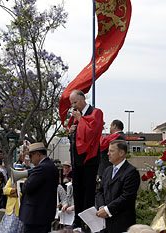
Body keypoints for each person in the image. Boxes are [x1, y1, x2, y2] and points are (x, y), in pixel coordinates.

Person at [68, 90, 104, 229]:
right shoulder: (78, 116)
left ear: (83, 99)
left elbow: (91, 132)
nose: (74, 106)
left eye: (75, 102)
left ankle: (87, 222)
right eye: (72, 104)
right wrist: (71, 131)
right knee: (77, 190)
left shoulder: (96, 112)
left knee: (88, 191)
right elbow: (77, 138)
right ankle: (77, 220)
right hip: (76, 159)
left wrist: (80, 119)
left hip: (90, 158)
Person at [95, 140, 140, 233]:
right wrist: (101, 207)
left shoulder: (131, 172)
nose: (108, 154)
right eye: (108, 151)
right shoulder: (107, 170)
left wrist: (107, 210)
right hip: (104, 223)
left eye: (111, 151)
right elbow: (100, 191)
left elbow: (127, 196)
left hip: (121, 223)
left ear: (121, 153)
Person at [19, 142, 59, 233]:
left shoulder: (41, 168)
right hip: (44, 214)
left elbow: (26, 188)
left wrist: (26, 180)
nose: (30, 159)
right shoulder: (51, 166)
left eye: (31, 155)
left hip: (35, 215)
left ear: (38, 154)